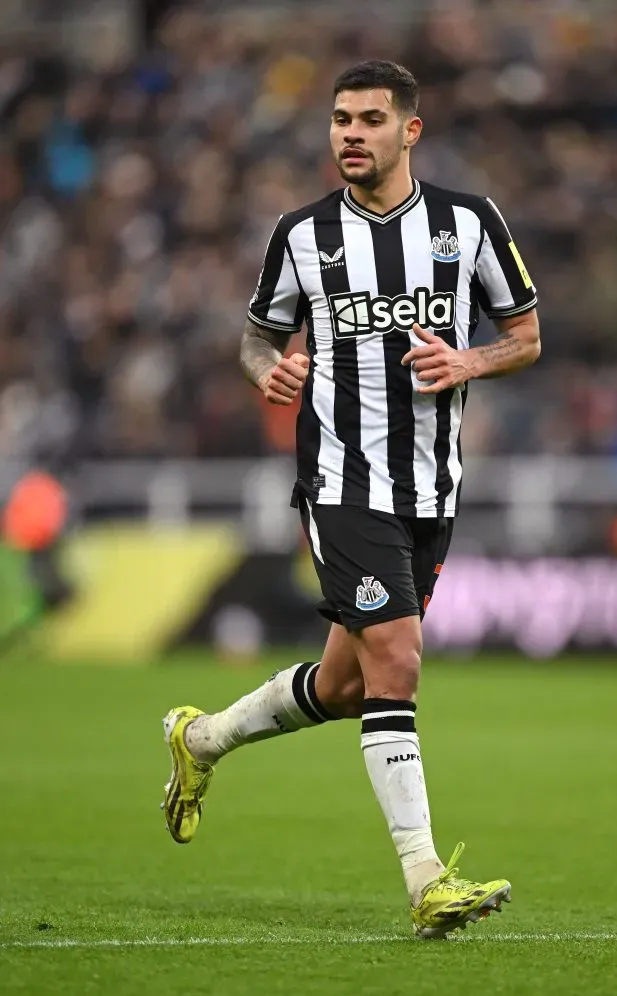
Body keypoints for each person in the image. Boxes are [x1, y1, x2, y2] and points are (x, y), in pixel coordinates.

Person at [161, 61, 540, 939]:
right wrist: (270, 370)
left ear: (411, 129)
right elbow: (256, 339)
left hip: (432, 488)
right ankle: (425, 879)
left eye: (370, 119)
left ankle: (201, 739)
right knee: (397, 662)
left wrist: (468, 359)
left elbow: (524, 335)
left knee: (343, 685)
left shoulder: (469, 223)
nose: (351, 134)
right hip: (342, 481)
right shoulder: (301, 234)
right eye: (341, 119)